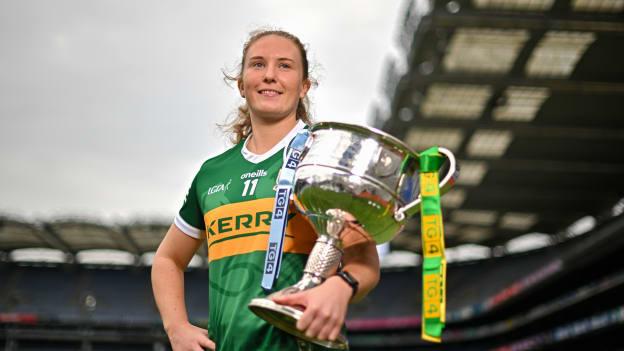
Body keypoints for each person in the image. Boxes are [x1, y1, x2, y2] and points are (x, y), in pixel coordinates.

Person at [151, 29, 380, 351]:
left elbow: (364, 260)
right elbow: (167, 259)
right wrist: (176, 328)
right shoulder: (212, 173)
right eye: (258, 65)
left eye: (284, 66)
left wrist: (341, 287)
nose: (270, 75)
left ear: (304, 87)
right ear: (241, 84)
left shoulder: (325, 160)